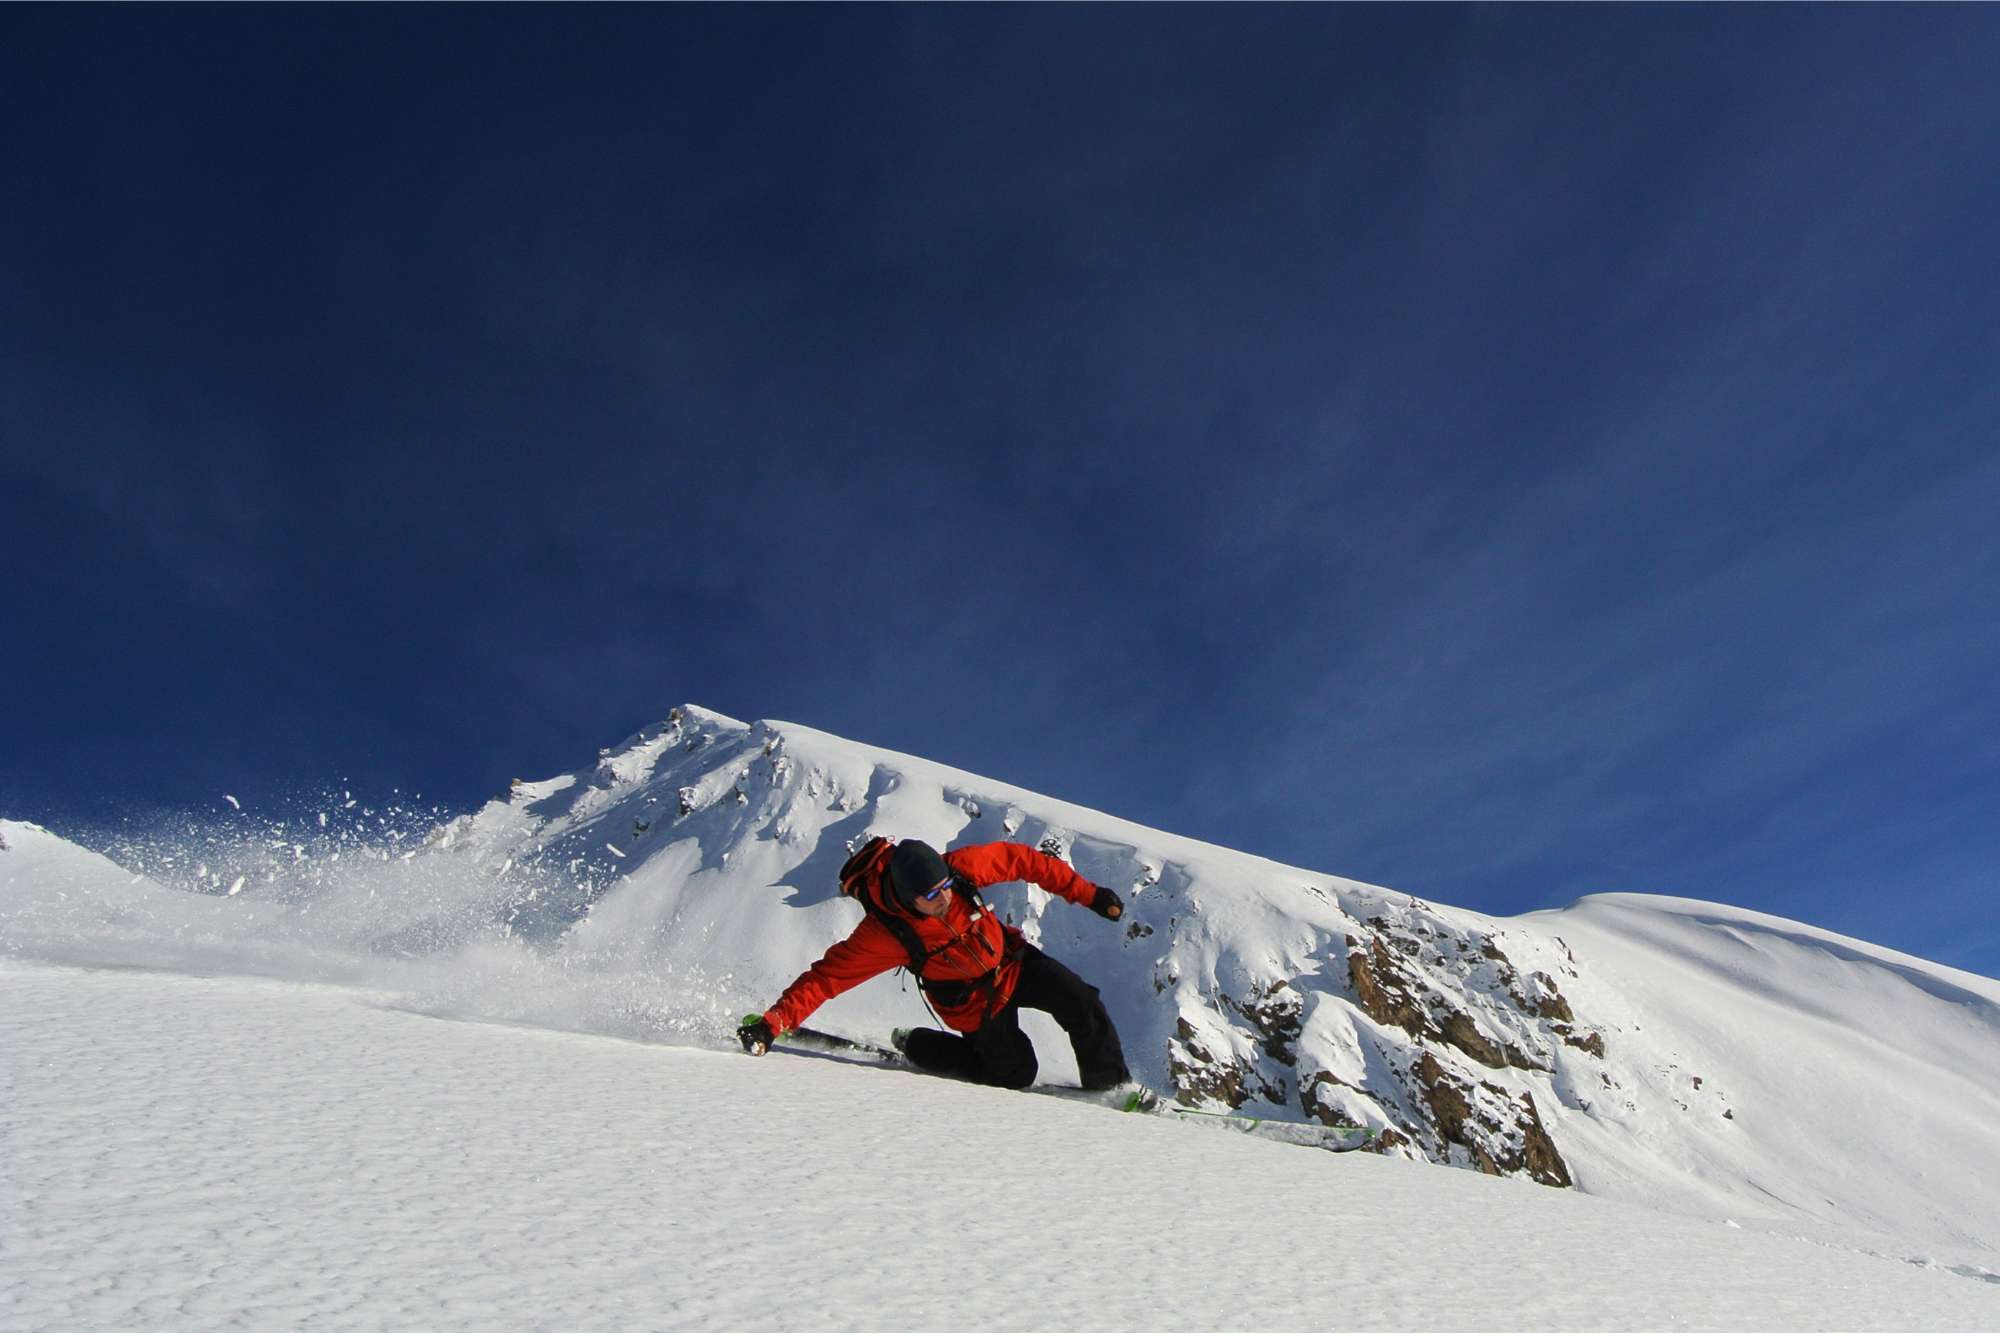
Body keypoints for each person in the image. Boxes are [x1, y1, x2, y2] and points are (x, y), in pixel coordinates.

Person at [738, 838, 1133, 1091]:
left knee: (1081, 1001)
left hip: (1012, 962)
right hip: (973, 1003)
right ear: (907, 897)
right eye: (931, 895)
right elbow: (827, 978)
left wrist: (1089, 895)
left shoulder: (960, 870)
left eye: (945, 886)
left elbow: (1025, 861)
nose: (944, 898)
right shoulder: (885, 934)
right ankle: (919, 1043)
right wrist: (773, 1024)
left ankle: (1109, 1089)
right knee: (1014, 1074)